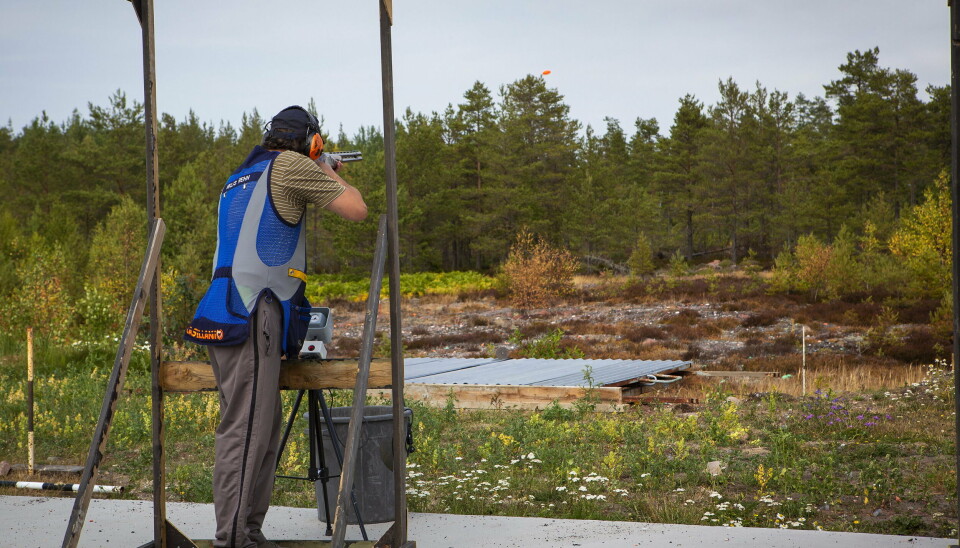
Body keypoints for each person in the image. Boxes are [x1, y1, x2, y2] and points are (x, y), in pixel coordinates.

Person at [184, 105, 367, 547]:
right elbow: (357, 209)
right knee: (247, 429)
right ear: (310, 142)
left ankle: (247, 532)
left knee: (259, 427)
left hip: (229, 308)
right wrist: (328, 170)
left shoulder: (242, 175)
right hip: (252, 312)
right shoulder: (289, 166)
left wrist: (319, 165)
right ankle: (233, 539)